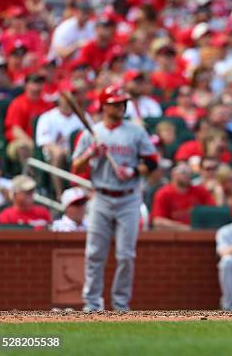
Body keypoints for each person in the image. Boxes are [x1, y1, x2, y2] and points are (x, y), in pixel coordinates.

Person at [71, 84, 158, 312]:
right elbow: (75, 167)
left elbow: (152, 161)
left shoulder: (136, 131)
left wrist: (134, 171)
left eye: (122, 103)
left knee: (126, 255)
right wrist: (92, 153)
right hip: (101, 196)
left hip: (129, 198)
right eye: (115, 103)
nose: (120, 106)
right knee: (94, 253)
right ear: (104, 106)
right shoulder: (93, 132)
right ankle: (91, 304)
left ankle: (120, 304)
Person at [151, 162, 215, 231]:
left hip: (199, 234)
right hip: (173, 236)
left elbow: (213, 212)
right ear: (173, 174)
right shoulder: (163, 193)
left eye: (189, 172)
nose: (187, 175)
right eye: (183, 172)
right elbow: (157, 221)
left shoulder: (201, 191)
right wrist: (186, 228)